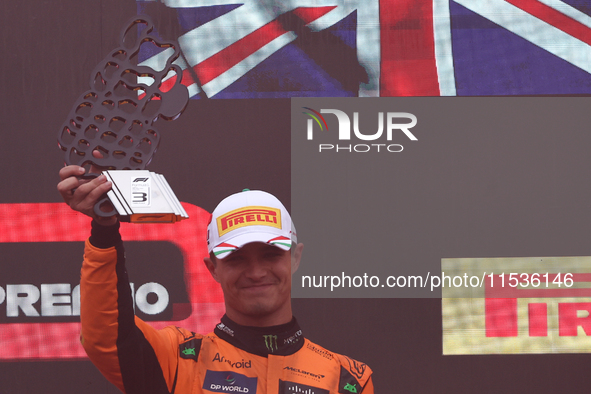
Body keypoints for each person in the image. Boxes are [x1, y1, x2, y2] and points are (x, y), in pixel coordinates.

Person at [57, 165, 374, 394]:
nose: (256, 272)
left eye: (270, 254)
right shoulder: (179, 360)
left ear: (296, 257)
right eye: (236, 258)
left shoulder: (348, 379)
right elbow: (107, 337)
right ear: (212, 269)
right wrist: (104, 228)